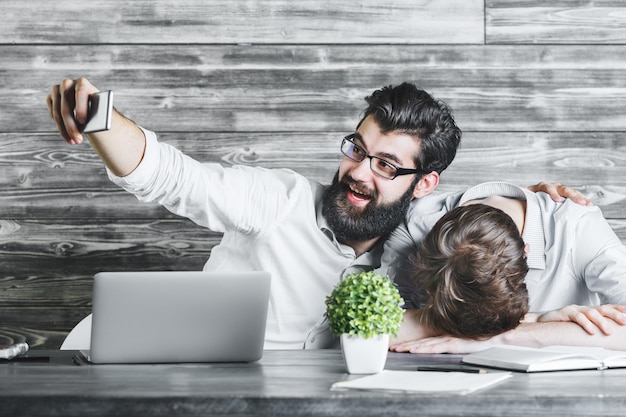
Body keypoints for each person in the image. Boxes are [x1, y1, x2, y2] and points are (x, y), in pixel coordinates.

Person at [47, 78, 582, 350]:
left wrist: (538, 206)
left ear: (426, 185)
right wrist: (96, 115)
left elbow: (470, 295)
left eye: (385, 165)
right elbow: (172, 175)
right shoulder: (277, 201)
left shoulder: (422, 257)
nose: (358, 171)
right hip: (142, 373)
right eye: (357, 147)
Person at [387, 181, 626, 352]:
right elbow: (366, 324)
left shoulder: (577, 227)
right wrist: (538, 319)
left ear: (526, 251)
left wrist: (498, 339)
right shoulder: (416, 225)